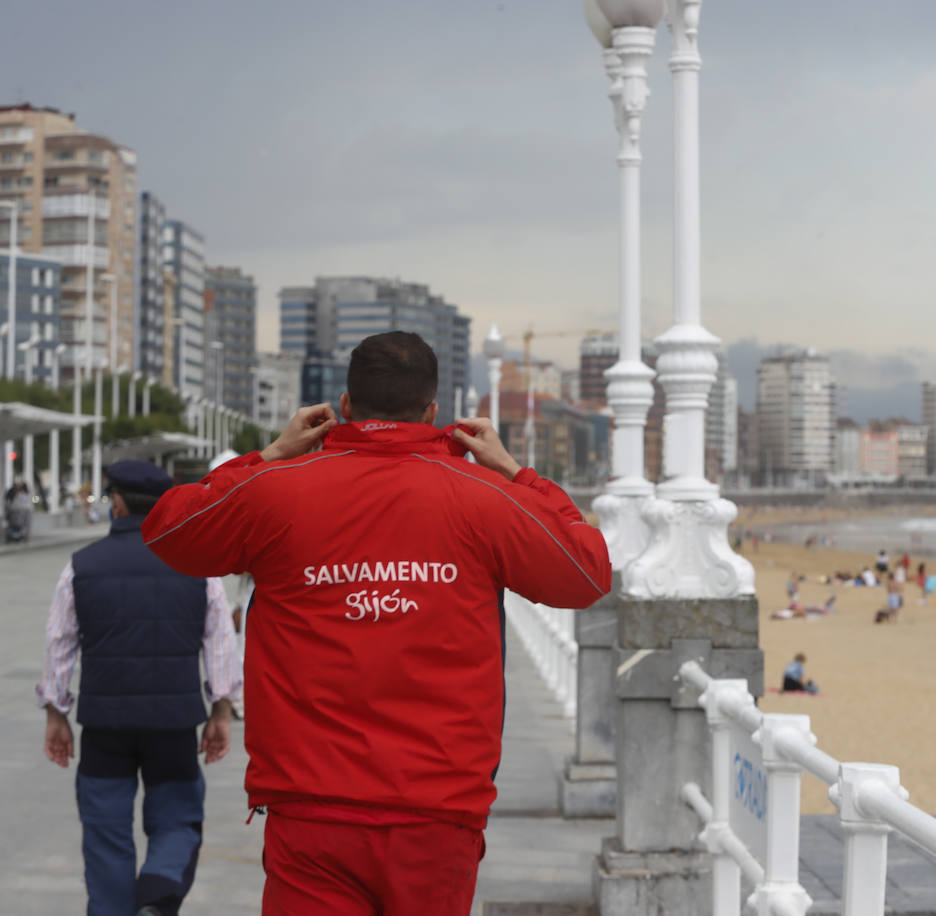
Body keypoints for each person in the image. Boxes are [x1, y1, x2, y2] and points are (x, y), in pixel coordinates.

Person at [141, 331, 612, 914]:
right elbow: (587, 573)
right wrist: (516, 473)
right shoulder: (485, 497)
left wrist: (270, 455)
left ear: (342, 406)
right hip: (437, 809)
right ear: (433, 411)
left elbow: (169, 530)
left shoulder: (277, 492)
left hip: (311, 807)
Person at [36, 460, 241, 916]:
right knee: (178, 820)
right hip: (173, 725)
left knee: (105, 830)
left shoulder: (81, 566)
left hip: (104, 728)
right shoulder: (198, 566)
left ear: (119, 504)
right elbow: (221, 642)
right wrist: (221, 710)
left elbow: (59, 642)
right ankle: (156, 895)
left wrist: (55, 712)